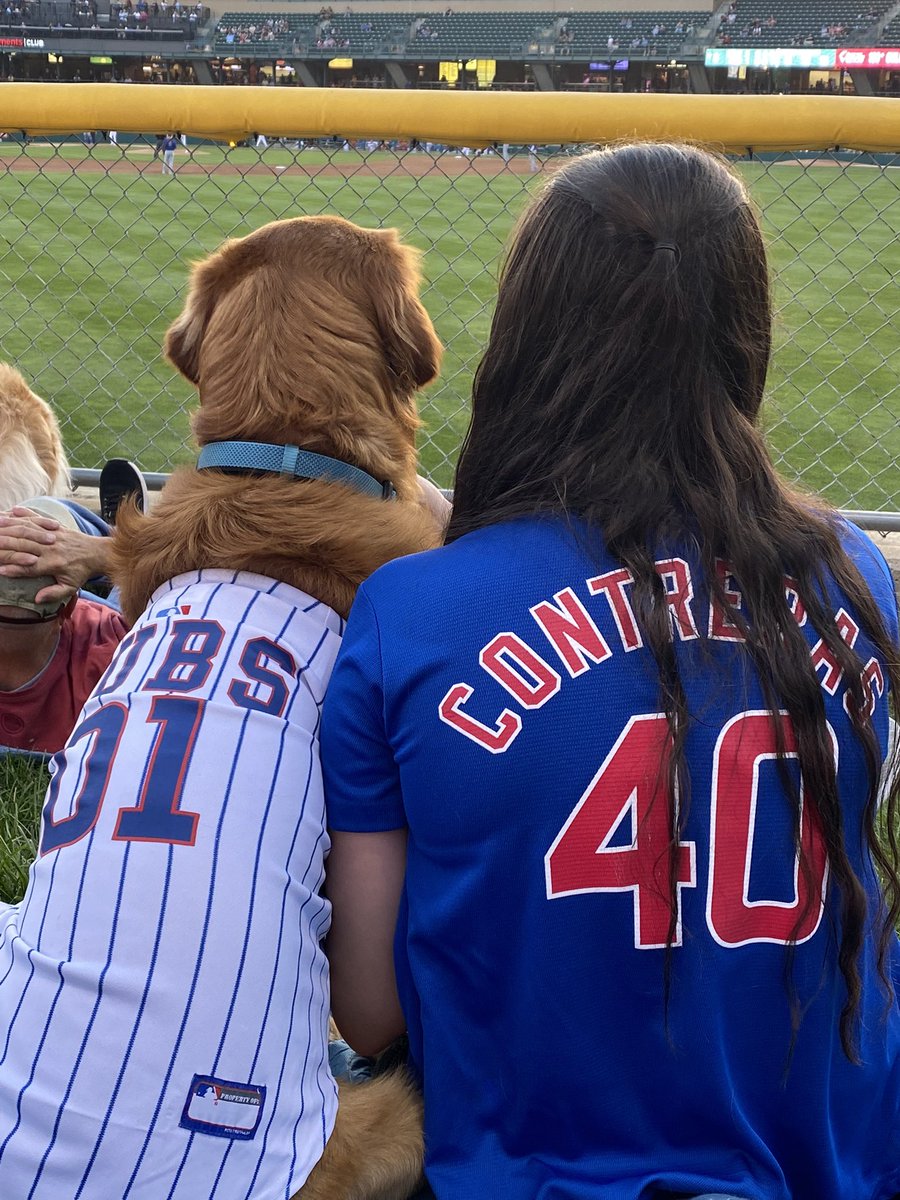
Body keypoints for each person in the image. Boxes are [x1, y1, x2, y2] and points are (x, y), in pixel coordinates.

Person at [320, 144, 900, 1200]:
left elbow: (368, 1013)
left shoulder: (408, 614)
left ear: (529, 336)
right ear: (744, 330)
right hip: (834, 1169)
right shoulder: (857, 578)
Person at [0, 498, 127, 754]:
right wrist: (102, 552)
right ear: (70, 608)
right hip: (103, 621)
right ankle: (120, 529)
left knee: (38, 514)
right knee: (49, 514)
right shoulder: (117, 653)